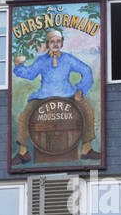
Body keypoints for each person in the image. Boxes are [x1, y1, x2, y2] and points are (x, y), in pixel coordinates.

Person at [11, 28, 99, 164]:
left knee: (87, 111)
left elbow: (86, 70)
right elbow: (30, 73)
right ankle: (23, 152)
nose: (55, 44)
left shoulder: (68, 59)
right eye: (52, 42)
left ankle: (86, 149)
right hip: (44, 95)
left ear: (62, 43)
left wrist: (80, 90)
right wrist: (18, 65)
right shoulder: (41, 61)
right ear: (47, 44)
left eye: (58, 41)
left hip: (68, 94)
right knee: (25, 116)